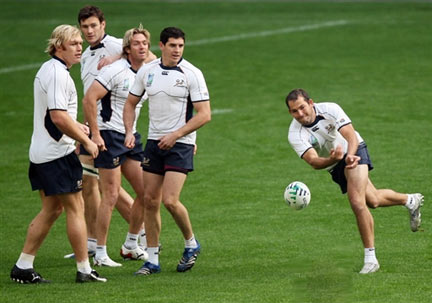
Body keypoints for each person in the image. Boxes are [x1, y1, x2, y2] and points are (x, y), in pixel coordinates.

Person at [285, 88, 424, 274]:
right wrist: (333, 159)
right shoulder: (295, 133)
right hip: (334, 164)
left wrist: (349, 156)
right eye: (295, 111)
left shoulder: (330, 109)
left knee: (357, 202)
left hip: (354, 149)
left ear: (311, 103)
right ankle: (410, 200)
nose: (300, 114)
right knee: (373, 200)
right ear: (290, 112)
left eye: (302, 107)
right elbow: (313, 161)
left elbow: (350, 135)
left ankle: (371, 259)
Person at [10, 25, 106, 283]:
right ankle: (84, 270)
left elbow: (58, 117)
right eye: (73, 43)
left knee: (51, 210)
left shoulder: (50, 69)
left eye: (79, 43)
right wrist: (86, 138)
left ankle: (23, 265)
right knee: (76, 208)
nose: (79, 47)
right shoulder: (57, 74)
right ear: (58, 46)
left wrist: (78, 127)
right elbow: (58, 117)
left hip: (42, 152)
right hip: (56, 155)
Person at [63, 5, 156, 261]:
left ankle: (136, 237)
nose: (90, 31)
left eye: (94, 25)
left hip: (111, 131)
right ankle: (94, 244)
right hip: (95, 127)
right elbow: (90, 98)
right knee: (91, 185)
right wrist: (85, 129)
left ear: (103, 24)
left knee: (110, 190)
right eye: (85, 27)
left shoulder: (117, 45)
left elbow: (149, 59)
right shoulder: (85, 55)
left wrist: (119, 57)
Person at [122, 27, 211, 275]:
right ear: (161, 46)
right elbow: (131, 103)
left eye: (181, 46)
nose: (177, 50)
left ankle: (191, 244)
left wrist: (176, 135)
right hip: (154, 143)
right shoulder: (147, 72)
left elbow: (205, 115)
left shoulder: (192, 73)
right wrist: (129, 131)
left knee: (170, 201)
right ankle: (152, 260)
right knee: (150, 201)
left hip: (180, 144)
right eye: (172, 45)